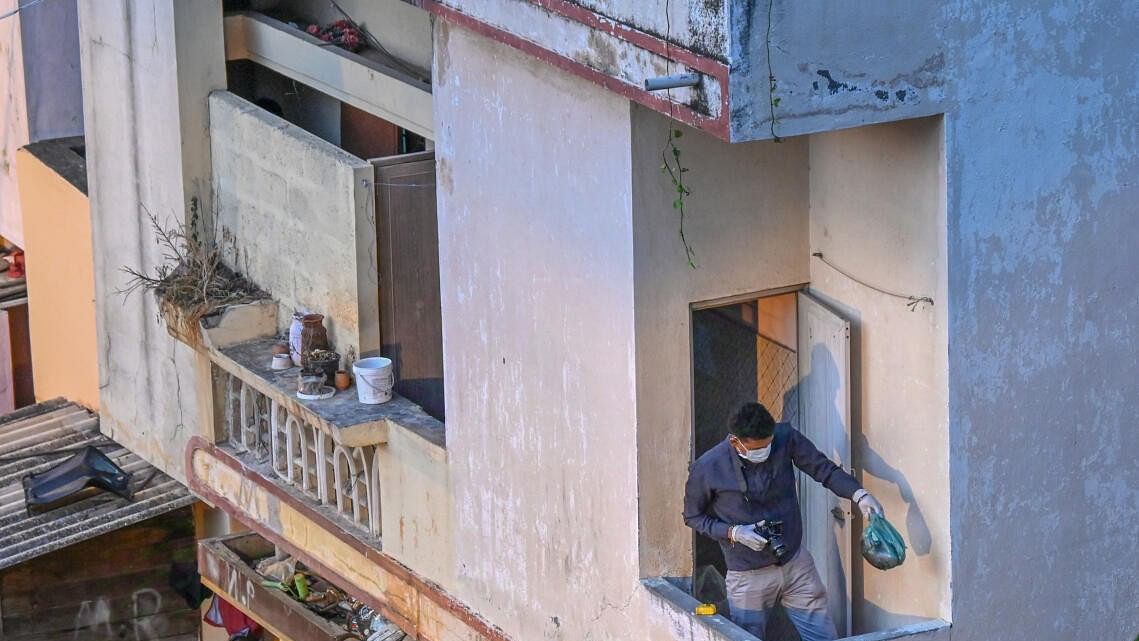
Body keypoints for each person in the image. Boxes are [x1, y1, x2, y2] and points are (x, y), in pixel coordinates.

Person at [683, 402, 883, 641]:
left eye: (769, 444)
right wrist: (733, 532)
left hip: (795, 562)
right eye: (758, 448)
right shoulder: (708, 467)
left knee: (824, 637)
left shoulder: (784, 437)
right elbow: (693, 517)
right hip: (747, 574)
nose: (766, 450)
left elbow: (824, 470)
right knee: (747, 637)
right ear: (736, 442)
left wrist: (859, 495)